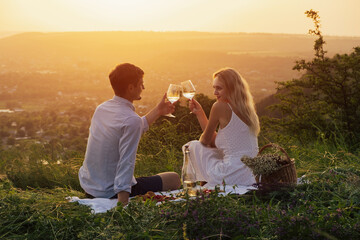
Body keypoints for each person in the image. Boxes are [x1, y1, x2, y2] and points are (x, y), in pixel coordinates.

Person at [79, 63, 181, 206]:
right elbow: (126, 163)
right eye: (141, 84)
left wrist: (158, 111)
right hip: (110, 191)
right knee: (174, 179)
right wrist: (122, 205)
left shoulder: (102, 109)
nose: (143, 88)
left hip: (90, 186)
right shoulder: (130, 119)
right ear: (131, 87)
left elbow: (134, 125)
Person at [183, 67, 260, 188]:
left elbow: (205, 141)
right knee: (218, 151)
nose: (215, 93)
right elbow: (221, 142)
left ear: (231, 88)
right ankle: (209, 182)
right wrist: (200, 113)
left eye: (219, 88)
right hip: (251, 174)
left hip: (230, 174)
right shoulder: (247, 110)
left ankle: (206, 182)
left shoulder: (220, 106)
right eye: (214, 88)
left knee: (192, 146)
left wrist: (201, 118)